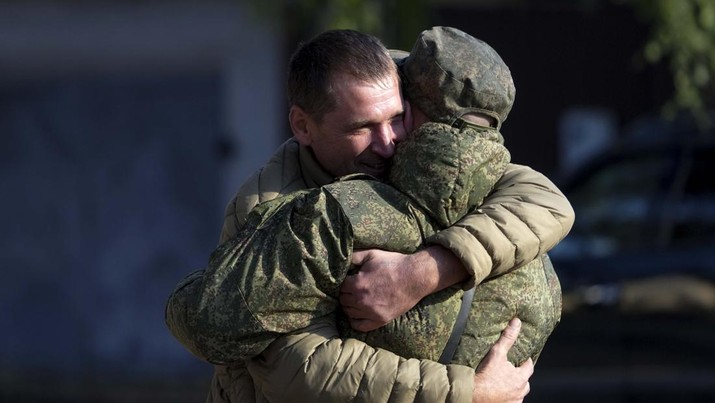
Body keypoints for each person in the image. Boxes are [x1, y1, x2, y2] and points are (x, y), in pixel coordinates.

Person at [166, 27, 573, 402]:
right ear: (303, 126)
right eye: (361, 127)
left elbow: (545, 202)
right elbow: (298, 368)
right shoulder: (268, 211)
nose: (387, 143)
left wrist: (423, 272)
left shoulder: (412, 150)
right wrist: (466, 392)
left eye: (395, 118)